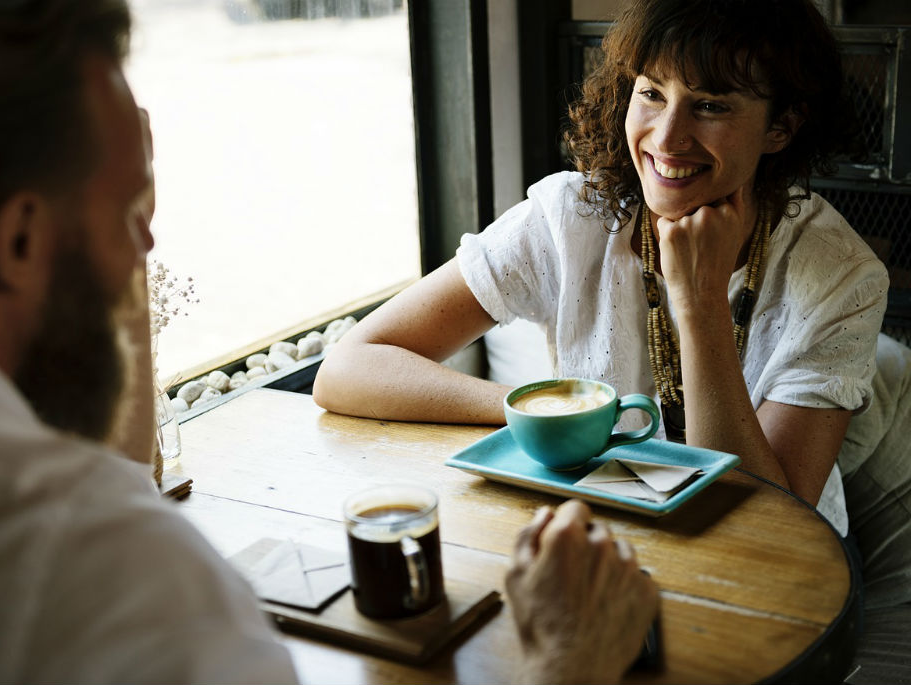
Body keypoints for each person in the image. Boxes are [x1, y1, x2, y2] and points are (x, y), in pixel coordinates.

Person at [0, 1, 657, 683]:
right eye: (129, 216)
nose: (147, 250)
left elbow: (108, 473)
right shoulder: (121, 573)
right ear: (18, 239)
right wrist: (567, 661)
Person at [313, 0, 889, 537]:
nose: (667, 138)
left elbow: (768, 522)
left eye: (711, 105)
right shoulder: (572, 216)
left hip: (782, 571)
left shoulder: (843, 276)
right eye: (653, 94)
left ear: (780, 127)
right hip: (600, 535)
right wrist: (548, 417)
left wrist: (700, 302)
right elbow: (347, 369)